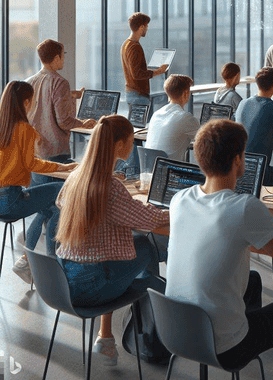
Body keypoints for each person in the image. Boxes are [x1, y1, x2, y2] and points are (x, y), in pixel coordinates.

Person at [166, 119, 273, 380]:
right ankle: (246, 346)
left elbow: (225, 236)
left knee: (252, 280)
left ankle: (246, 340)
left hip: (175, 332)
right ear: (238, 160)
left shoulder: (179, 200)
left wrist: (267, 229)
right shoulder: (244, 207)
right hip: (224, 348)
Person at [55, 115, 169, 366]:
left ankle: (106, 336)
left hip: (64, 279)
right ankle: (171, 326)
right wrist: (178, 209)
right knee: (147, 254)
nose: (134, 144)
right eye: (131, 140)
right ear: (119, 145)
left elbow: (60, 202)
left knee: (132, 246)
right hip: (90, 288)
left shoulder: (77, 177)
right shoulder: (111, 188)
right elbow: (150, 220)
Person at [0, 81, 77, 284]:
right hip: (11, 200)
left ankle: (29, 262)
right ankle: (54, 265)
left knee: (51, 207)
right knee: (61, 191)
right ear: (26, 102)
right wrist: (63, 167)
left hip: (3, 200)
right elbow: (31, 164)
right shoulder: (23, 129)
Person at [26, 39, 96, 186]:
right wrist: (84, 124)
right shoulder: (60, 82)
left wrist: (71, 95)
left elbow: (43, 100)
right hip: (55, 151)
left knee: (41, 201)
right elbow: (63, 121)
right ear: (57, 58)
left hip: (35, 151)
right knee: (57, 201)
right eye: (63, 55)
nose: (64, 59)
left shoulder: (29, 82)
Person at [145, 74, 200, 161]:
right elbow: (206, 139)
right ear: (186, 93)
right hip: (170, 171)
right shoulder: (185, 118)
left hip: (148, 169)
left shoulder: (156, 114)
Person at [121, 12, 169, 111]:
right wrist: (159, 71)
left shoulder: (125, 44)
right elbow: (137, 74)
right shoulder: (135, 47)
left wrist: (152, 69)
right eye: (146, 26)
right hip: (139, 95)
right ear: (142, 27)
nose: (147, 29)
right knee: (144, 126)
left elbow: (134, 69)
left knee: (136, 125)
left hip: (131, 92)